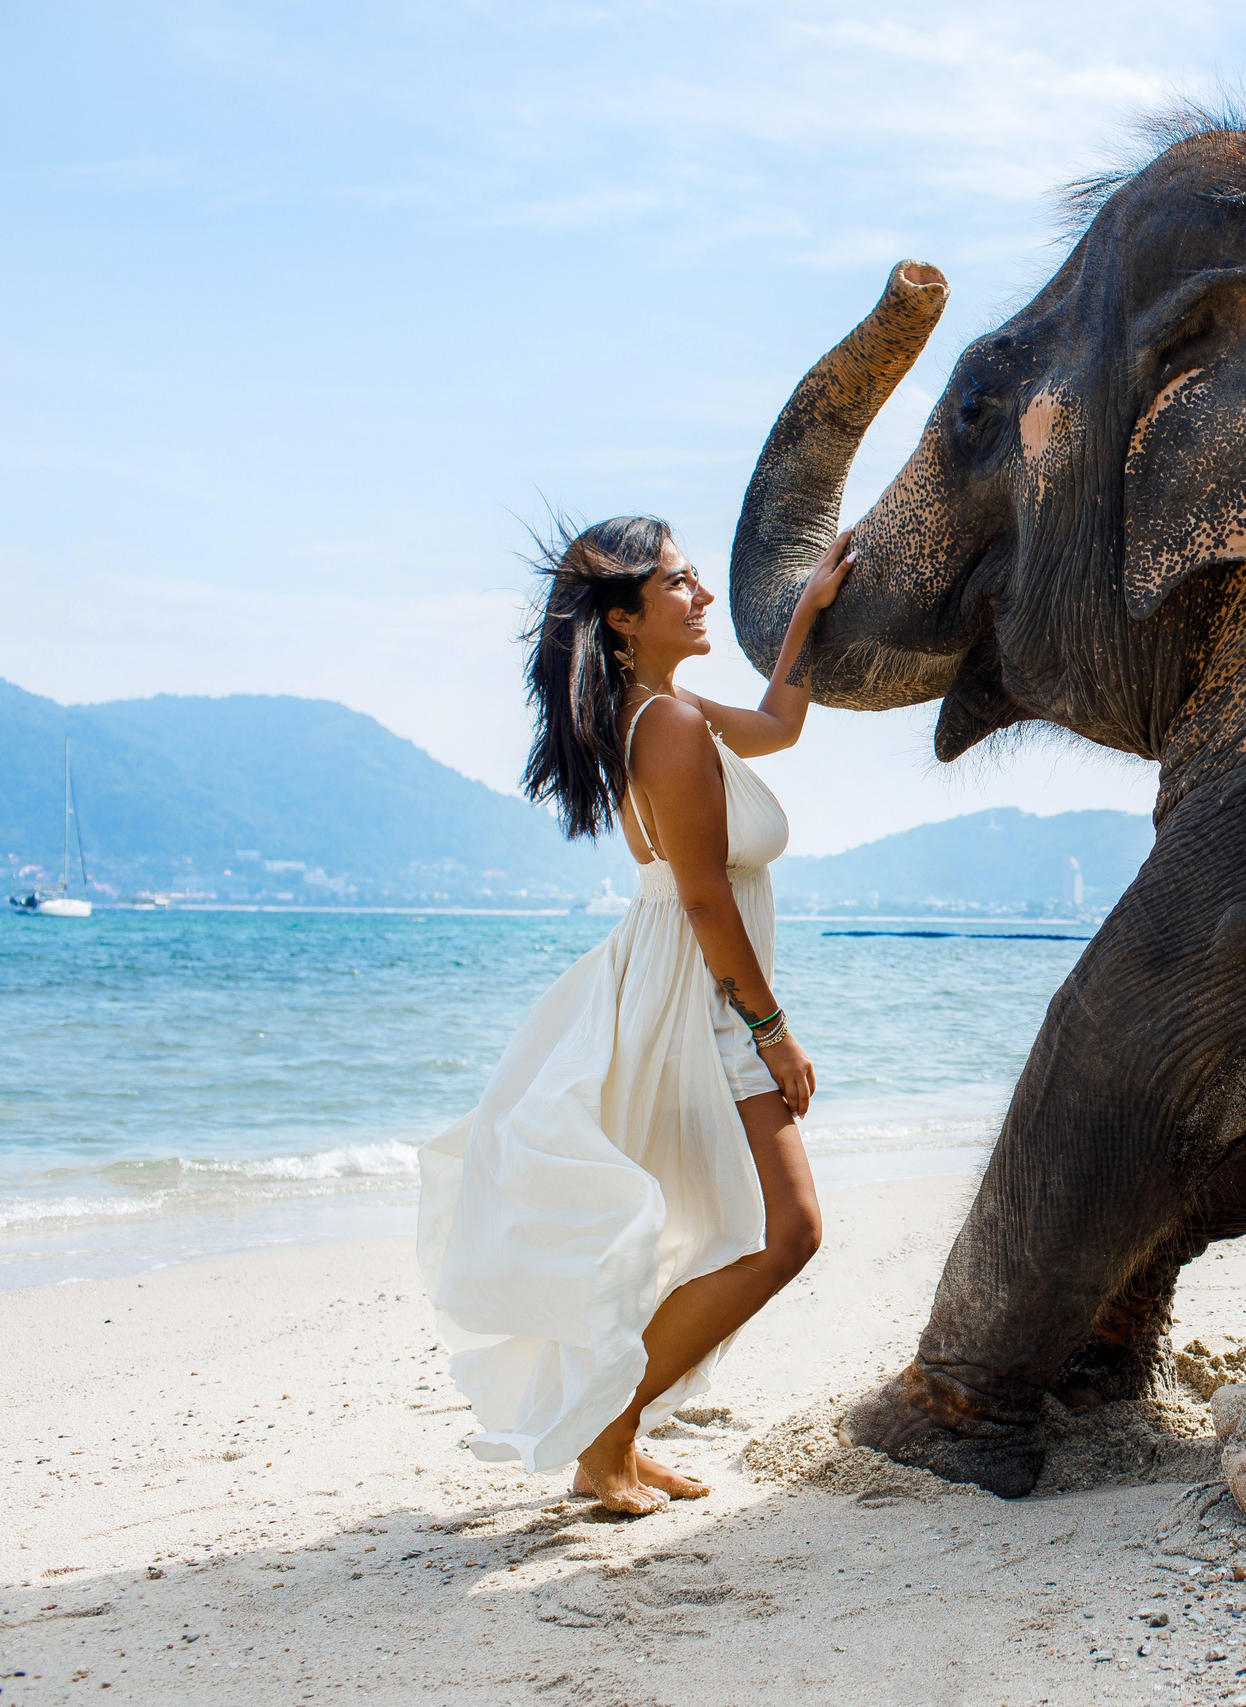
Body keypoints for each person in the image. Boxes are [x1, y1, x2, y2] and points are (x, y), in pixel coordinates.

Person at [418, 514, 853, 1514]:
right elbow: (703, 896)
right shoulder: (663, 725)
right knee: (788, 1232)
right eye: (678, 584)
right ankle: (605, 1433)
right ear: (621, 619)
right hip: (697, 992)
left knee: (701, 1225)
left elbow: (779, 727)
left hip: (669, 980)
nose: (699, 597)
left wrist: (807, 620)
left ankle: (612, 1433)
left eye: (695, 580)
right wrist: (772, 1029)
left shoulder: (662, 708)